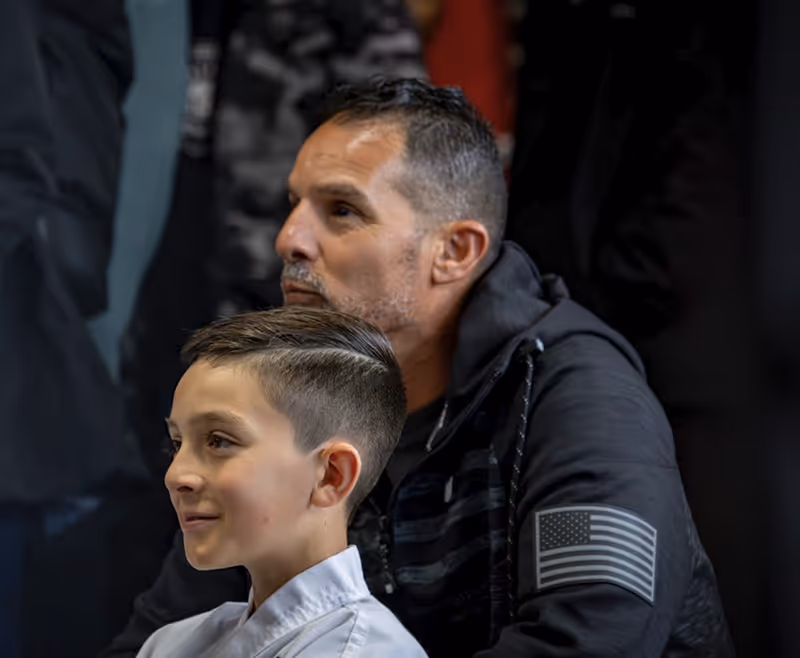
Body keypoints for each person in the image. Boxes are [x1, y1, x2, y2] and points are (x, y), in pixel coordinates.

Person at [103, 78, 733, 658]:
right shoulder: (299, 385)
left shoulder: (583, 400)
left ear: (454, 251)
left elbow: (590, 644)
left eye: (342, 210)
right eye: (294, 203)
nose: (289, 238)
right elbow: (163, 627)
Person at [136, 307, 426, 658]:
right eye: (177, 444)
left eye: (218, 440)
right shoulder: (169, 646)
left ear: (331, 475)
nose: (175, 476)